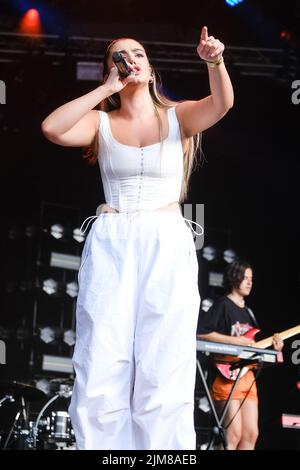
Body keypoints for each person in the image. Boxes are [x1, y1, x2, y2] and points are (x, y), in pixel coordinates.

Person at [41, 26, 234, 450]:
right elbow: (52, 128)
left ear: (149, 67)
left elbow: (222, 104)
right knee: (102, 356)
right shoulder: (100, 123)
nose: (130, 60)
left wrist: (213, 61)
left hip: (165, 239)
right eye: (119, 57)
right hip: (113, 240)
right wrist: (105, 89)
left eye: (138, 54)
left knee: (163, 360)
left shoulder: (177, 116)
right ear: (113, 69)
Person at [198, 260, 284, 450]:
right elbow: (201, 332)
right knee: (233, 434)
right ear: (234, 278)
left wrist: (273, 350)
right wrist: (235, 341)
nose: (249, 282)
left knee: (251, 434)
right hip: (225, 375)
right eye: (245, 278)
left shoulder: (249, 313)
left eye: (251, 279)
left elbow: (253, 349)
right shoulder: (222, 305)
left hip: (247, 376)